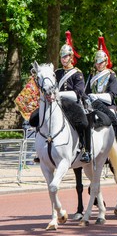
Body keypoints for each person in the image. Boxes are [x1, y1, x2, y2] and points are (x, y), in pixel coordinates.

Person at [31, 31, 89, 162]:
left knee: (83, 122)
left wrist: (57, 94)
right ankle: (39, 150)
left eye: (66, 56)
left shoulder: (77, 74)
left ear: (71, 57)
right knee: (35, 118)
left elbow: (78, 93)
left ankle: (85, 149)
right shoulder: (56, 73)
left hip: (71, 104)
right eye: (62, 56)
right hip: (55, 104)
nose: (63, 59)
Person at [84, 36, 117, 160]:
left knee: (115, 122)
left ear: (106, 62)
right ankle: (85, 148)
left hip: (107, 105)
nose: (99, 65)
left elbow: (112, 95)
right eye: (97, 62)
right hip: (91, 105)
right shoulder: (91, 75)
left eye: (101, 62)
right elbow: (86, 92)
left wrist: (96, 96)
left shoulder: (111, 75)